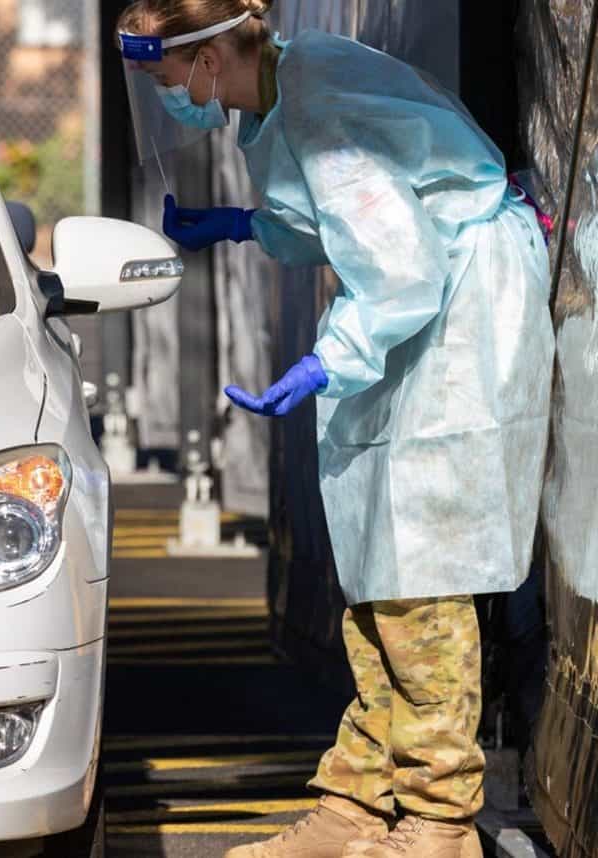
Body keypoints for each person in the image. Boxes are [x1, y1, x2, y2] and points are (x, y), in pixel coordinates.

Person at [116, 3, 555, 857]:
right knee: (378, 569)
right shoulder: (292, 82)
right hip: (425, 311)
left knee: (422, 570)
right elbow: (354, 221)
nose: (165, 94)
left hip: (457, 321)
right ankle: (356, 805)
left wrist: (328, 361)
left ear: (207, 56)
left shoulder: (320, 107)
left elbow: (400, 271)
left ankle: (438, 820)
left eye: (163, 73)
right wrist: (249, 224)